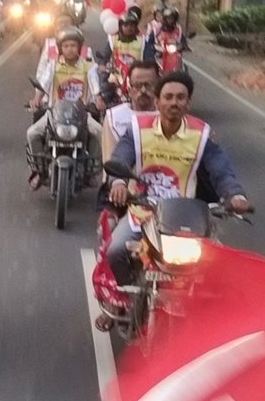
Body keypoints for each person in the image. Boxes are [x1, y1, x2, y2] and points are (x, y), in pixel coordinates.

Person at [99, 69, 251, 304]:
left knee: (219, 270)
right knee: (117, 250)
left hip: (187, 217)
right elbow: (121, 156)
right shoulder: (138, 129)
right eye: (168, 97)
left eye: (180, 97)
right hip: (144, 212)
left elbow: (221, 170)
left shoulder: (201, 135)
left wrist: (235, 195)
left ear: (188, 103)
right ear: (157, 102)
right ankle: (127, 300)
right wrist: (118, 183)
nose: (174, 102)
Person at [26, 25, 104, 190]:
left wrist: (98, 100)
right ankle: (39, 170)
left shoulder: (89, 67)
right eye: (66, 46)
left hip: (81, 115)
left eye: (73, 45)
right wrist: (36, 100)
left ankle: (91, 170)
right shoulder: (53, 66)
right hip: (55, 113)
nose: (69, 49)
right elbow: (43, 86)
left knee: (100, 132)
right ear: (60, 48)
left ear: (79, 48)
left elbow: (96, 88)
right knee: (32, 133)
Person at [100, 60, 158, 162]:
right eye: (138, 85)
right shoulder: (113, 118)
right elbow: (109, 160)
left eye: (148, 85)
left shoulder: (167, 117)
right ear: (130, 90)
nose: (143, 90)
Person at [96, 7, 145, 108]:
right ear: (120, 26)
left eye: (132, 25)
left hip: (136, 76)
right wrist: (102, 65)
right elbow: (105, 57)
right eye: (126, 25)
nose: (129, 28)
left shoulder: (143, 41)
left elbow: (149, 59)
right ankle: (104, 106)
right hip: (116, 74)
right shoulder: (112, 40)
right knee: (103, 80)